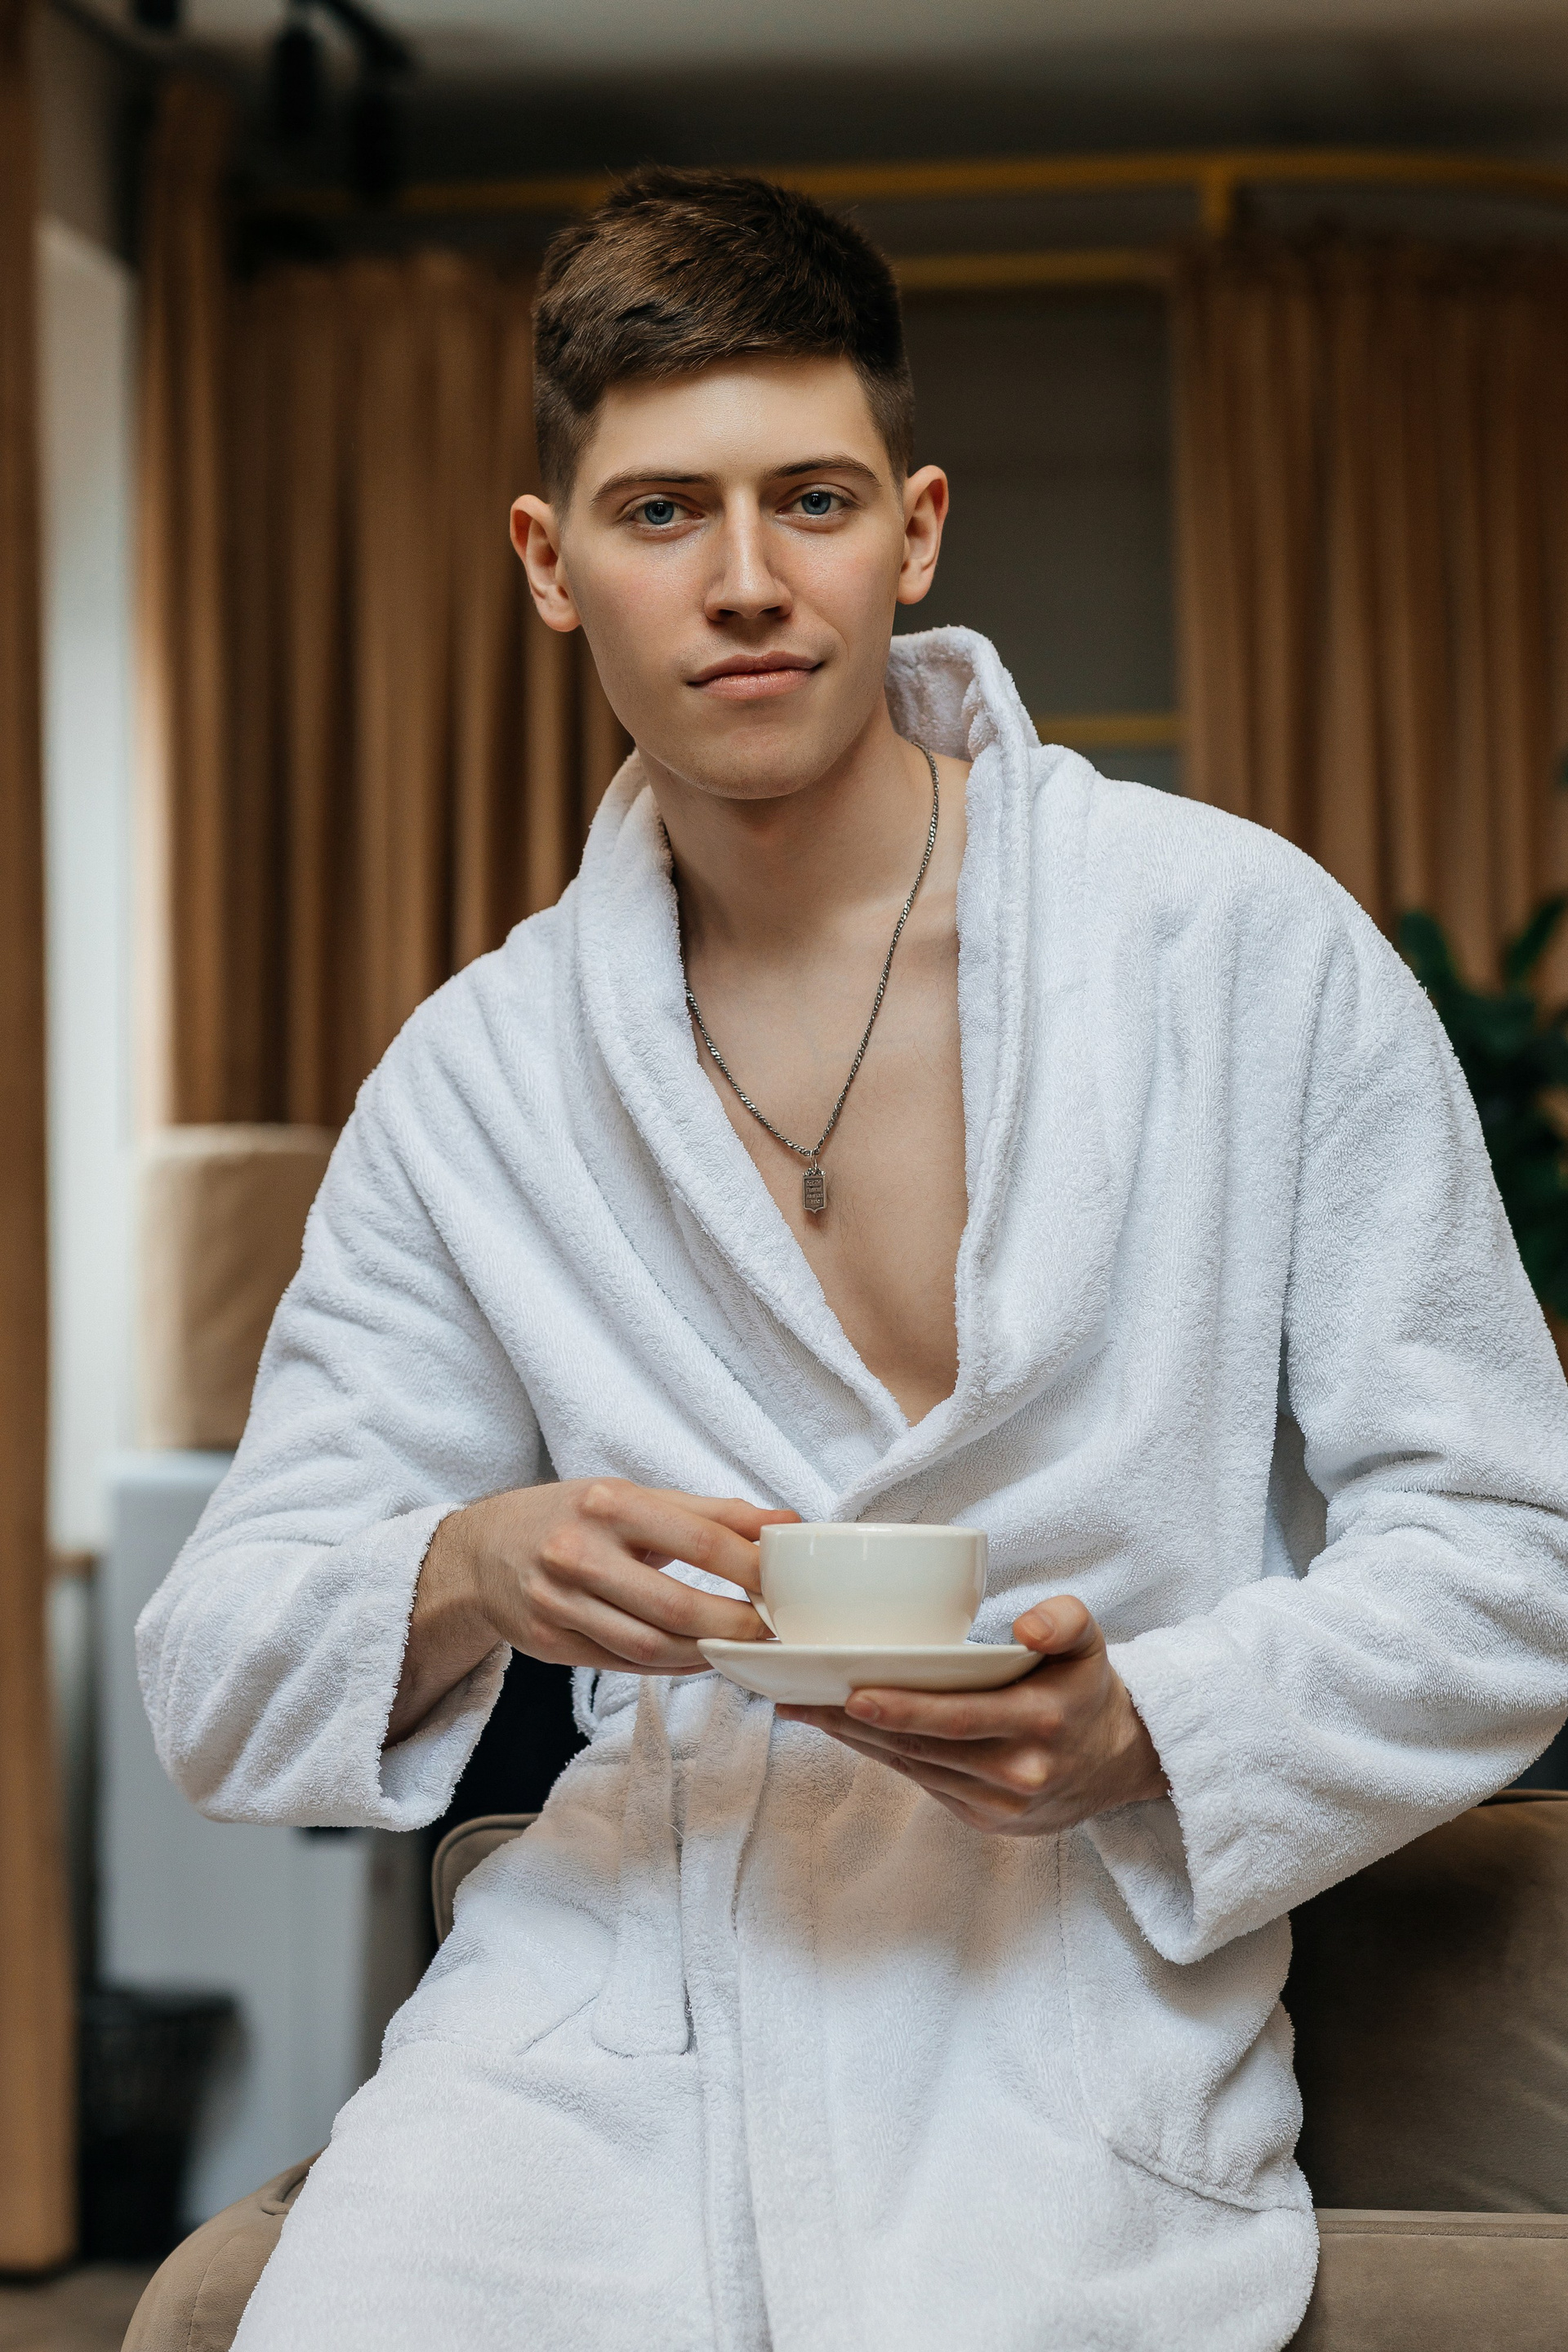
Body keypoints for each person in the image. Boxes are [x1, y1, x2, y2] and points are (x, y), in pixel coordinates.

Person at [139, 168, 1568, 2352]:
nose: (744, 583)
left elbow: (1511, 1554)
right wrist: (474, 1565)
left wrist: (1153, 1728)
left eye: (808, 501)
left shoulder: (1235, 950)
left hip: (1066, 2025)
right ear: (549, 563)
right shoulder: (482, 1078)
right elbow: (222, 1670)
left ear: (912, 530)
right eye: (660, 514)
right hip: (593, 2027)